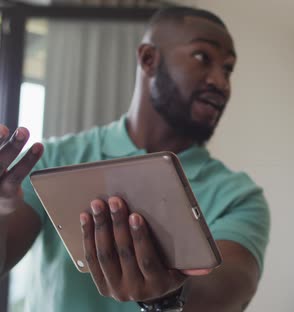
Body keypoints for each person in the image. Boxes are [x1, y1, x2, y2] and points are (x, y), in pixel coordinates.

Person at [0, 6, 270, 312]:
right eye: (202, 57)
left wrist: (170, 294)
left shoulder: (239, 195)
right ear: (148, 59)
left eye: (228, 69)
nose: (221, 83)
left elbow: (231, 290)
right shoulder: (53, 159)